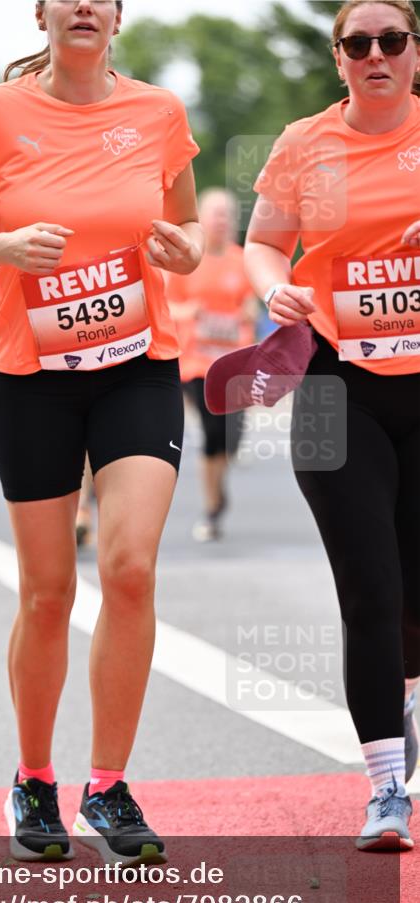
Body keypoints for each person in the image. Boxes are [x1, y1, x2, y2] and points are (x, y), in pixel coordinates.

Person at [0, 0, 202, 864]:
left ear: (116, 16)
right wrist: (2, 247)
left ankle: (108, 787)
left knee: (128, 567)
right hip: (29, 378)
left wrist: (184, 253)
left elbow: (186, 229)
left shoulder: (156, 113)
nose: (84, 5)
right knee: (47, 593)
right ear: (40, 14)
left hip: (136, 367)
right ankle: (33, 777)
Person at [245, 0, 420, 850]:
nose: (375, 55)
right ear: (338, 57)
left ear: (414, 52)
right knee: (368, 583)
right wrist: (270, 286)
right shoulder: (303, 144)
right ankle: (386, 786)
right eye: (358, 43)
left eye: (391, 40)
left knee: (412, 593)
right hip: (325, 384)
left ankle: (404, 688)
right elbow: (262, 242)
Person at [165, 189, 257, 542]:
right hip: (197, 363)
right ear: (200, 218)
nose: (221, 221)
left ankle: (220, 486)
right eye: (214, 214)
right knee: (211, 433)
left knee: (230, 439)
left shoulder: (244, 259)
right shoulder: (187, 259)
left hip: (235, 363)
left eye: (227, 215)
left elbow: (251, 299)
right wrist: (192, 313)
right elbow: (166, 306)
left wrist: (250, 309)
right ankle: (212, 508)